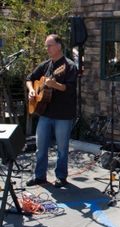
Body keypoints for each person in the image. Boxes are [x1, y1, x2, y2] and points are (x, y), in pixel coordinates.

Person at [26, 34, 78, 188]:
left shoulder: (68, 66)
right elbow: (30, 78)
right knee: (40, 147)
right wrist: (31, 91)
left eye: (49, 45)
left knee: (62, 149)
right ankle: (40, 176)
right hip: (45, 114)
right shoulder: (45, 65)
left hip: (63, 115)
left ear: (59, 46)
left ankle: (61, 177)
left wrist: (55, 85)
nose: (47, 48)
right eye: (46, 46)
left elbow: (69, 89)